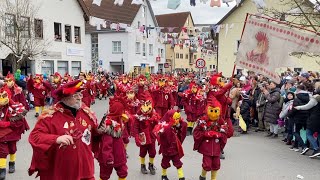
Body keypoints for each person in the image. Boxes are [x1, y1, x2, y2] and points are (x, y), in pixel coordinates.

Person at [28, 80, 99, 180]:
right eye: (75, 95)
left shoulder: (87, 112)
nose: (79, 98)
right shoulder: (49, 116)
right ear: (64, 98)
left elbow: (95, 135)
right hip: (61, 172)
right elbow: (35, 136)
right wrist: (56, 139)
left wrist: (102, 131)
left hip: (85, 170)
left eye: (80, 94)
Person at [0, 87, 28, 180]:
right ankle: (2, 169)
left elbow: (20, 120)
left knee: (12, 149)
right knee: (2, 151)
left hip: (12, 132)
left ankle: (12, 163)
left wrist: (9, 123)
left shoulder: (14, 107)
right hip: (1, 134)